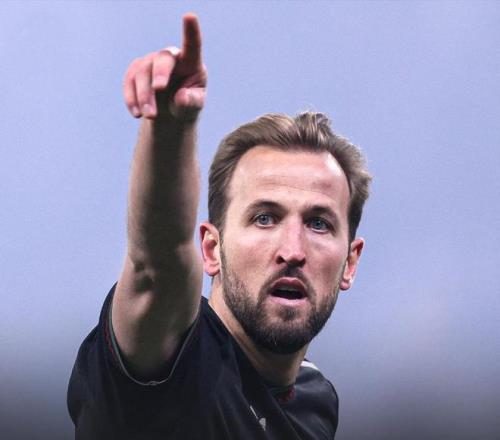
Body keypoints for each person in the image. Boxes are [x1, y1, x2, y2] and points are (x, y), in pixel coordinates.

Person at [67, 13, 371, 440]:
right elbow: (157, 265)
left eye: (318, 224)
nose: (292, 249)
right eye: (264, 218)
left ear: (350, 263)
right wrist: (171, 125)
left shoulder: (315, 399)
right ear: (212, 249)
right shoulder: (177, 359)